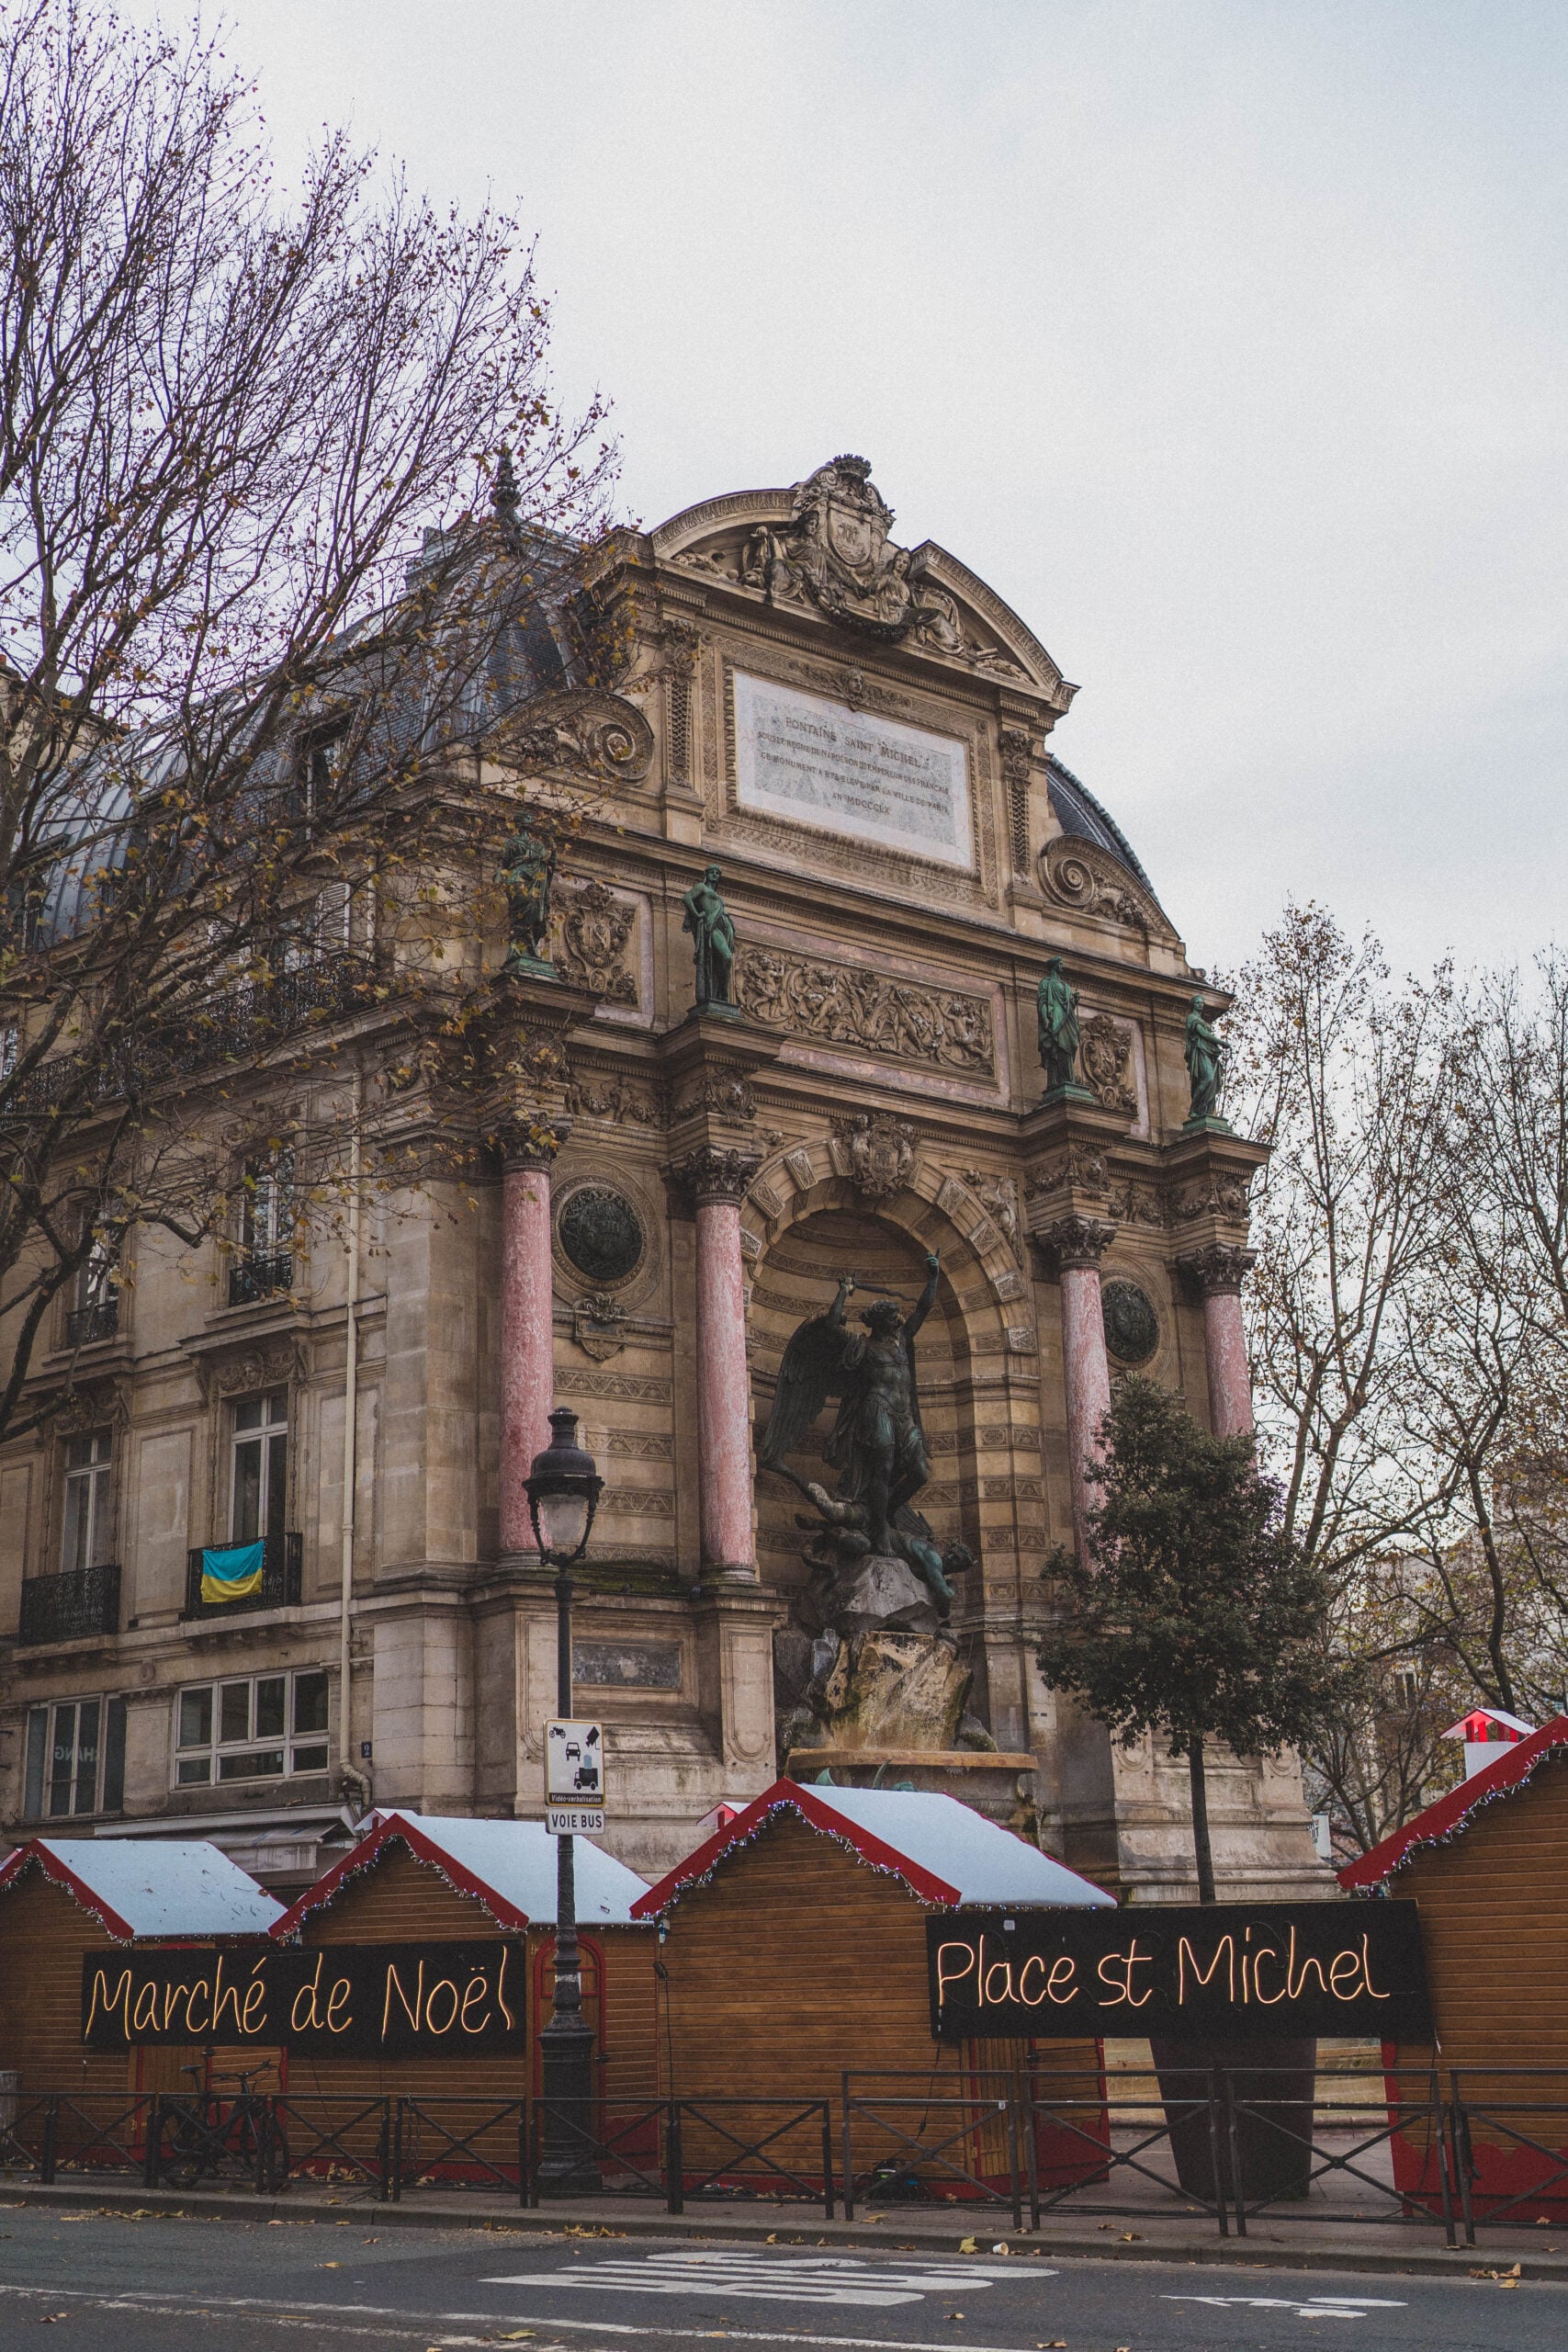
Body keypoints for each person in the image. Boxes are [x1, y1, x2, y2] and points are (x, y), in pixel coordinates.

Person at [681, 864, 736, 1007]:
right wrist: (697, 914)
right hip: (712, 927)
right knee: (727, 957)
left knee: (721, 961)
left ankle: (720, 994)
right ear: (706, 874)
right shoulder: (702, 887)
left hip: (723, 927)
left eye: (717, 873)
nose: (715, 875)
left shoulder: (717, 896)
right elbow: (687, 898)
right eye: (712, 872)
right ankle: (724, 992)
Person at [1037, 956, 1080, 1092]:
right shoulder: (1045, 983)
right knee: (1057, 1047)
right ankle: (1056, 1082)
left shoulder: (1066, 986)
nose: (1063, 966)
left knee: (1071, 1045)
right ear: (1054, 966)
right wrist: (1045, 1018)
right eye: (1060, 964)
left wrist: (1074, 1001)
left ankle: (1069, 1079)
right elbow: (1042, 1002)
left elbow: (1068, 1006)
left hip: (1067, 1020)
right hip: (1054, 1017)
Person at [1184, 994, 1226, 1122]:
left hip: (1209, 1052)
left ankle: (1205, 1110)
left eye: (1202, 1003)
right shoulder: (1192, 1018)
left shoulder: (1201, 1019)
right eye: (1198, 1002)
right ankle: (1194, 1109)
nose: (1200, 1004)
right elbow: (1203, 1034)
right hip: (1200, 1050)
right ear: (1193, 1005)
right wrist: (1222, 1042)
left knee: (1212, 1082)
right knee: (1208, 1078)